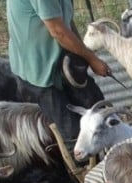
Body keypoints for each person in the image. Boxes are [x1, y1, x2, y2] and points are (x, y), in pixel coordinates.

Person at [6, 0, 110, 141]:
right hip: (38, 68)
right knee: (71, 130)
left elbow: (66, 23)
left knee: (97, 107)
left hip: (60, 59)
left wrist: (83, 56)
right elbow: (58, 31)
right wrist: (92, 59)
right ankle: (79, 160)